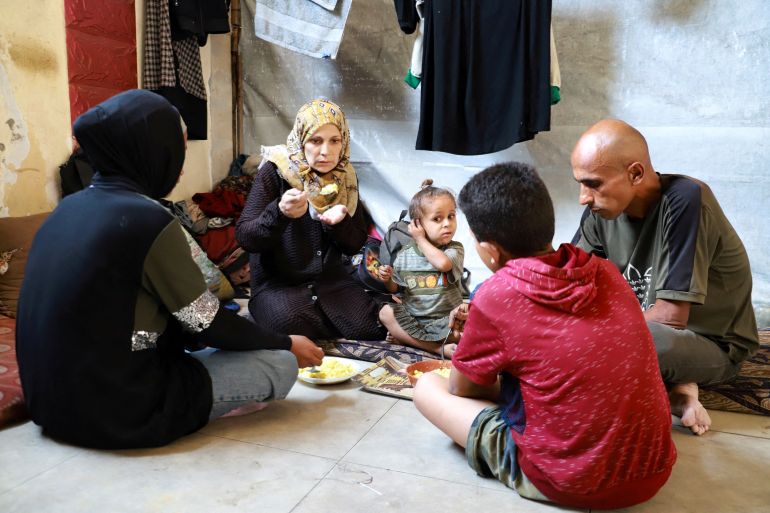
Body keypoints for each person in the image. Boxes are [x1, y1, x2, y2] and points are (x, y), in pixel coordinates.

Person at [16, 90, 323, 450]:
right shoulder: (147, 220)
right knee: (278, 364)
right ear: (147, 152)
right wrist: (287, 344)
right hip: (122, 412)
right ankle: (206, 406)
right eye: (175, 150)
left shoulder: (65, 211)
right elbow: (206, 323)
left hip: (50, 407)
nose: (178, 166)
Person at [414, 162, 676, 510]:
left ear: (490, 250)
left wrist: (477, 343)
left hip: (569, 482)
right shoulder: (606, 271)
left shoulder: (496, 294)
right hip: (654, 472)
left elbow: (463, 389)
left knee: (428, 387)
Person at [571, 119, 759, 436]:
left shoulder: (686, 199)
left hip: (710, 343)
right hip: (646, 331)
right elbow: (568, 283)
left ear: (635, 174)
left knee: (598, 341)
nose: (583, 197)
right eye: (580, 183)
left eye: (593, 183)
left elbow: (671, 317)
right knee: (568, 330)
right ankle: (679, 392)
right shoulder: (599, 213)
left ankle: (679, 385)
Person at [235, 99, 385, 341]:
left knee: (370, 327)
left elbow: (355, 244)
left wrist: (339, 224)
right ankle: (298, 319)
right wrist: (279, 213)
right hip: (280, 286)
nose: (325, 151)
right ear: (301, 140)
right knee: (288, 323)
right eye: (316, 141)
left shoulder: (345, 177)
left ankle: (324, 320)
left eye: (334, 141)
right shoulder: (276, 170)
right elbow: (245, 237)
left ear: (343, 141)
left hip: (331, 284)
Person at [376, 179, 464, 357]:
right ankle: (437, 348)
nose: (446, 223)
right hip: (416, 321)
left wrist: (420, 239)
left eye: (451, 216)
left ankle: (412, 341)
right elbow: (396, 289)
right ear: (418, 225)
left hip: (447, 322)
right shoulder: (405, 254)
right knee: (385, 312)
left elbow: (443, 264)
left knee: (475, 328)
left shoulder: (454, 249)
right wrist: (387, 279)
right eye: (437, 219)